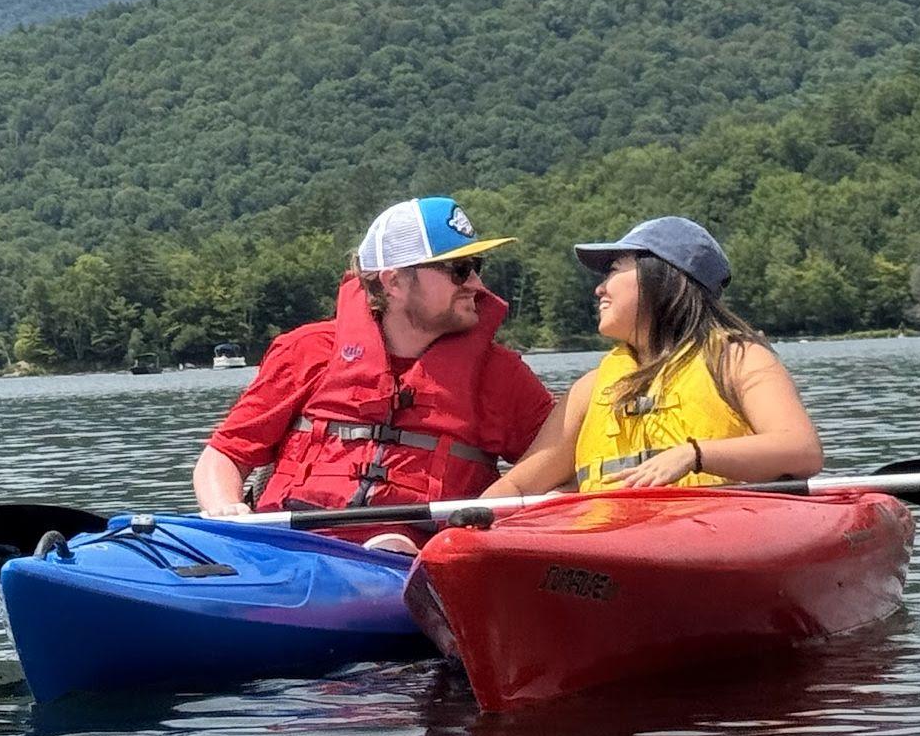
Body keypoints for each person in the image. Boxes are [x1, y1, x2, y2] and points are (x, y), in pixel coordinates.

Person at [192, 197, 554, 542]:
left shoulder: (503, 377)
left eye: (477, 266)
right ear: (393, 282)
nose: (477, 284)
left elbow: (570, 465)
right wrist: (226, 509)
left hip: (419, 564)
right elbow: (224, 455)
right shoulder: (306, 351)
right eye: (459, 270)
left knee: (393, 544)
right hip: (288, 552)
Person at [480, 216, 822, 500]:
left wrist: (693, 455)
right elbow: (519, 484)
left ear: (664, 277)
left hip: (719, 530)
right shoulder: (591, 388)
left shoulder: (737, 358)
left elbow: (802, 451)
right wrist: (462, 527)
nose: (600, 288)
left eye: (614, 270)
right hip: (611, 540)